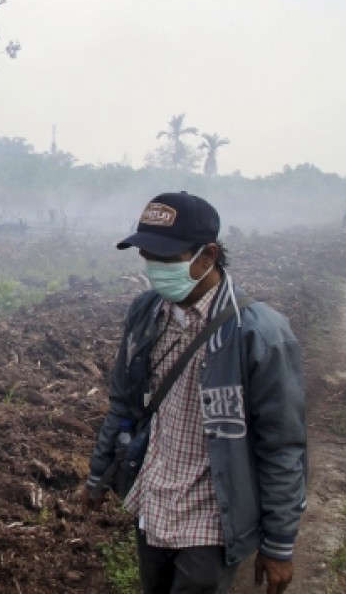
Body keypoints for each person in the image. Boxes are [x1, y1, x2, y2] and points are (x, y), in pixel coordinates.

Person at [81, 191, 306, 594]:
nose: (154, 268)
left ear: (207, 256)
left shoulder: (258, 333)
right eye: (147, 256)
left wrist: (279, 544)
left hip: (211, 514)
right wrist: (99, 474)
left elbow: (282, 445)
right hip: (153, 499)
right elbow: (124, 403)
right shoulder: (146, 313)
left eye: (167, 258)